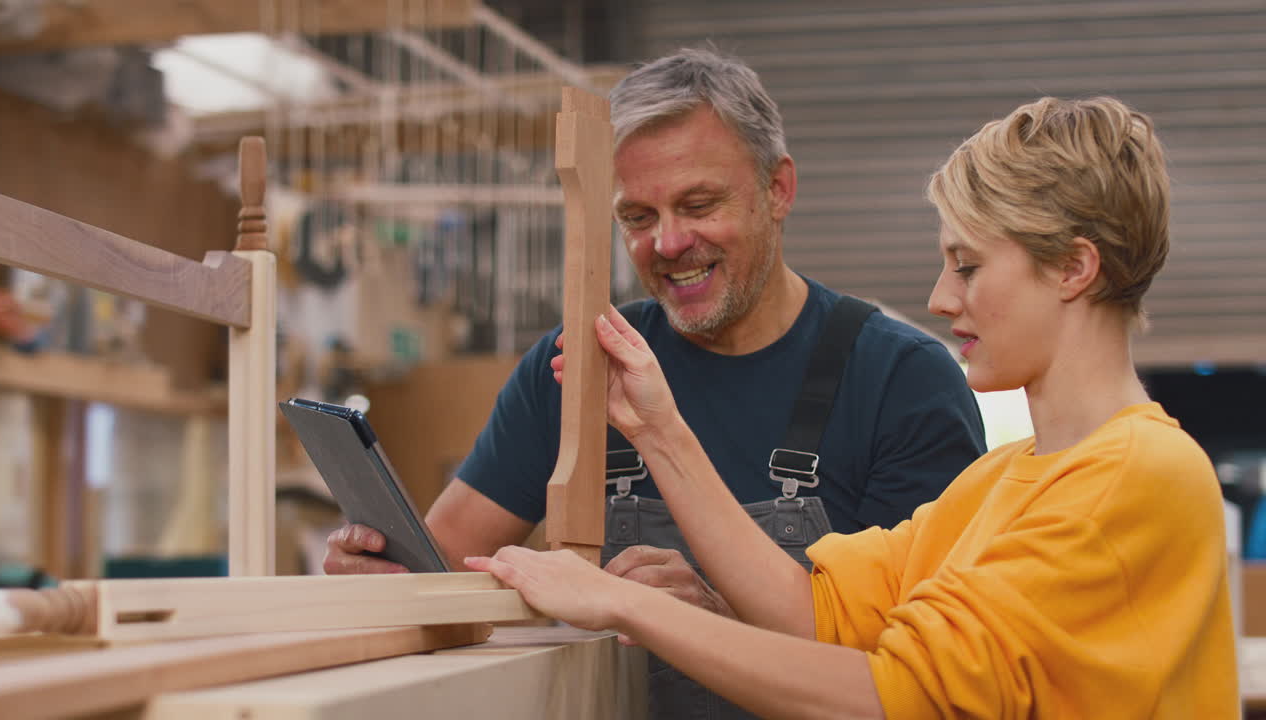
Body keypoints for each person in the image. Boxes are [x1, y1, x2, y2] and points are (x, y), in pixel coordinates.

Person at [464, 96, 1239, 717]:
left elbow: (890, 697)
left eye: (967, 268)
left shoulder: (1135, 477)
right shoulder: (1005, 482)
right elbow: (816, 610)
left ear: (1074, 268)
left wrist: (620, 606)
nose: (941, 299)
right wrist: (659, 430)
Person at [326, 48, 986, 716]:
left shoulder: (902, 382)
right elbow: (442, 573)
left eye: (699, 204)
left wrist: (712, 614)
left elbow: (921, 683)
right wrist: (382, 574)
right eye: (638, 218)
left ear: (778, 189)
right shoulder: (577, 368)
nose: (668, 243)